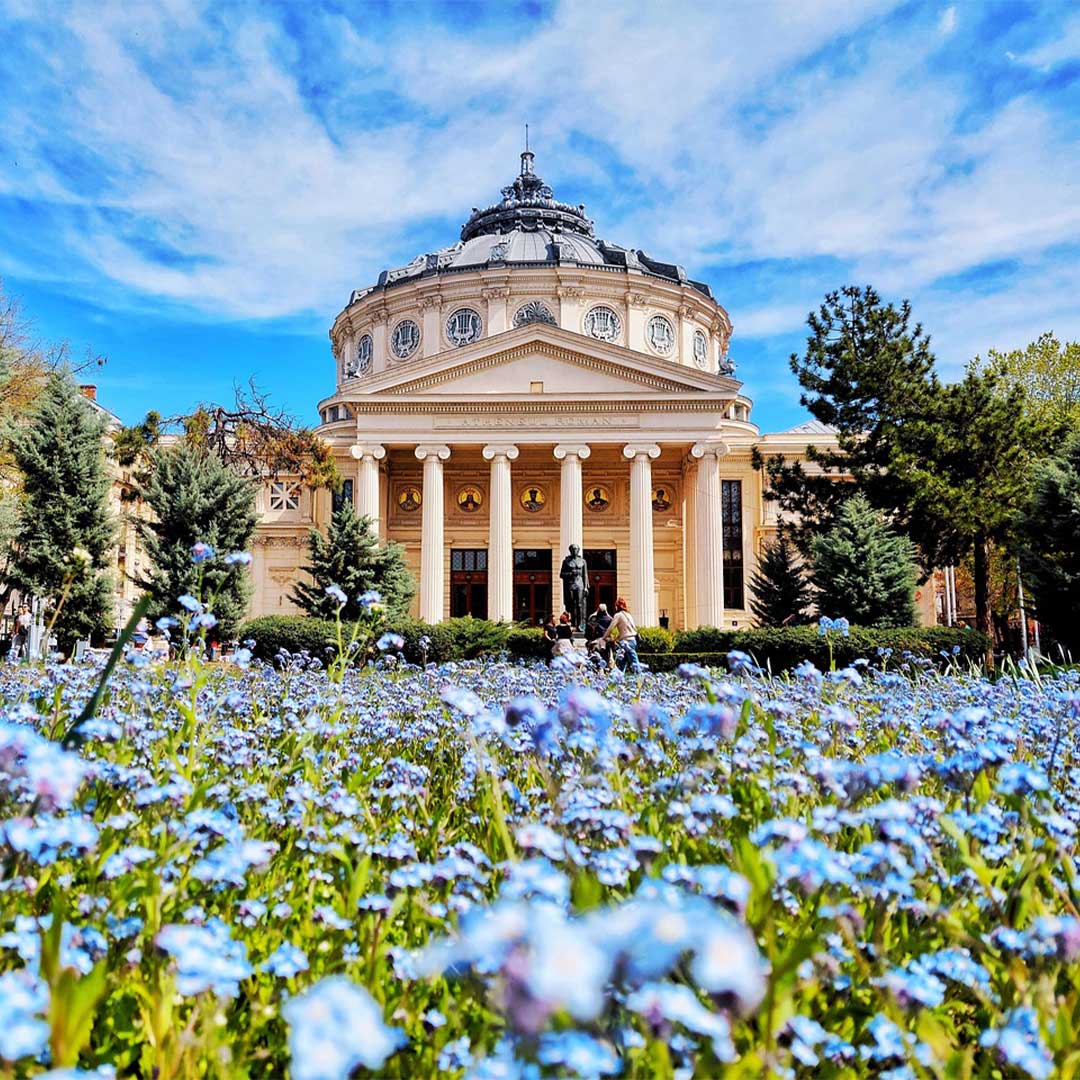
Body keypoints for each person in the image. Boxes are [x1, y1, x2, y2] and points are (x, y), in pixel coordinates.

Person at [600, 596, 642, 674]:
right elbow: (626, 630)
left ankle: (642, 679)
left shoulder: (618, 615)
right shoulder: (629, 615)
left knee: (635, 663)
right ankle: (618, 679)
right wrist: (616, 639)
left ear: (617, 606)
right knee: (622, 663)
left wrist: (604, 637)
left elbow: (610, 628)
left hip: (627, 642)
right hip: (633, 640)